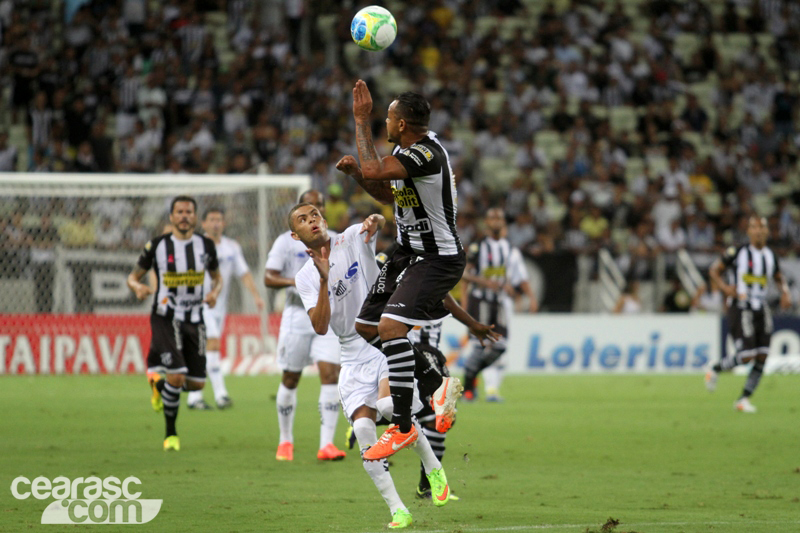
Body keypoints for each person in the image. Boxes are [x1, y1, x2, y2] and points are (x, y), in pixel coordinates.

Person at [290, 202, 450, 529]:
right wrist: (323, 280)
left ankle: (433, 468)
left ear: (323, 219)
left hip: (382, 341)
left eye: (315, 215)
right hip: (350, 355)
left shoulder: (350, 237)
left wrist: (375, 220)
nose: (312, 221)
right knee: (363, 429)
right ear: (296, 235)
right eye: (303, 220)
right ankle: (398, 509)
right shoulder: (304, 277)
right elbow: (321, 327)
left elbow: (375, 223)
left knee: (391, 404)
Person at [336, 80, 467, 460]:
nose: (385, 123)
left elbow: (376, 168)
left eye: (389, 118)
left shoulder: (426, 154)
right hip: (406, 251)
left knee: (391, 328)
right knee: (365, 327)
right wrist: (360, 178)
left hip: (437, 257)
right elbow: (390, 195)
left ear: (403, 124)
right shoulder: (404, 150)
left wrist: (360, 120)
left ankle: (404, 426)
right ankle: (435, 385)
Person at [127, 196, 222, 451]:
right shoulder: (156, 246)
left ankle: (158, 384)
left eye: (188, 212)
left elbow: (217, 277)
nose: (184, 216)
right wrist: (137, 287)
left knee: (196, 384)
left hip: (195, 318)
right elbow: (133, 277)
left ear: (194, 217)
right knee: (177, 377)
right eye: (179, 212)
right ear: (171, 217)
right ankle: (171, 435)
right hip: (165, 317)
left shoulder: (205, 246)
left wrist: (214, 293)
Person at [263, 190, 345, 461]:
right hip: (297, 316)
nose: (316, 213)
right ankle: (285, 440)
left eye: (319, 208)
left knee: (330, 375)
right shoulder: (285, 242)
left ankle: (326, 444)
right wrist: (300, 282)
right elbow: (269, 278)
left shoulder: (336, 240)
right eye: (311, 208)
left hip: (327, 316)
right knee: (290, 378)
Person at [705, 215, 792, 412]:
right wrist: (725, 288)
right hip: (740, 306)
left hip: (761, 307)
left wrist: (785, 292)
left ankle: (743, 399)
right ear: (749, 231)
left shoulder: (771, 255)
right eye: (754, 227)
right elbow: (714, 270)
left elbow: (779, 277)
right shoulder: (738, 252)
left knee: (762, 356)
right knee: (746, 356)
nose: (759, 231)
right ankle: (715, 367)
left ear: (768, 232)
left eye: (762, 227)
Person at [186, 207, 265, 410]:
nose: (216, 223)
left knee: (206, 349)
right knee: (211, 344)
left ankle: (194, 397)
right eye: (211, 219)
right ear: (203, 224)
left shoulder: (231, 247)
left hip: (220, 307)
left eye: (219, 219)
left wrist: (256, 295)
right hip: (199, 304)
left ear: (224, 223)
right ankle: (220, 394)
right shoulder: (194, 246)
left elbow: (244, 273)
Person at [460, 207, 538, 402]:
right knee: (479, 346)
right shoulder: (478, 246)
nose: (495, 221)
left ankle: (469, 379)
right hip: (480, 301)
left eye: (499, 218)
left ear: (503, 223)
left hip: (500, 302)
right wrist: (465, 303)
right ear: (486, 222)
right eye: (492, 217)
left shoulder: (509, 248)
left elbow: (520, 277)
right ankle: (469, 390)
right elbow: (464, 275)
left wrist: (531, 297)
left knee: (500, 346)